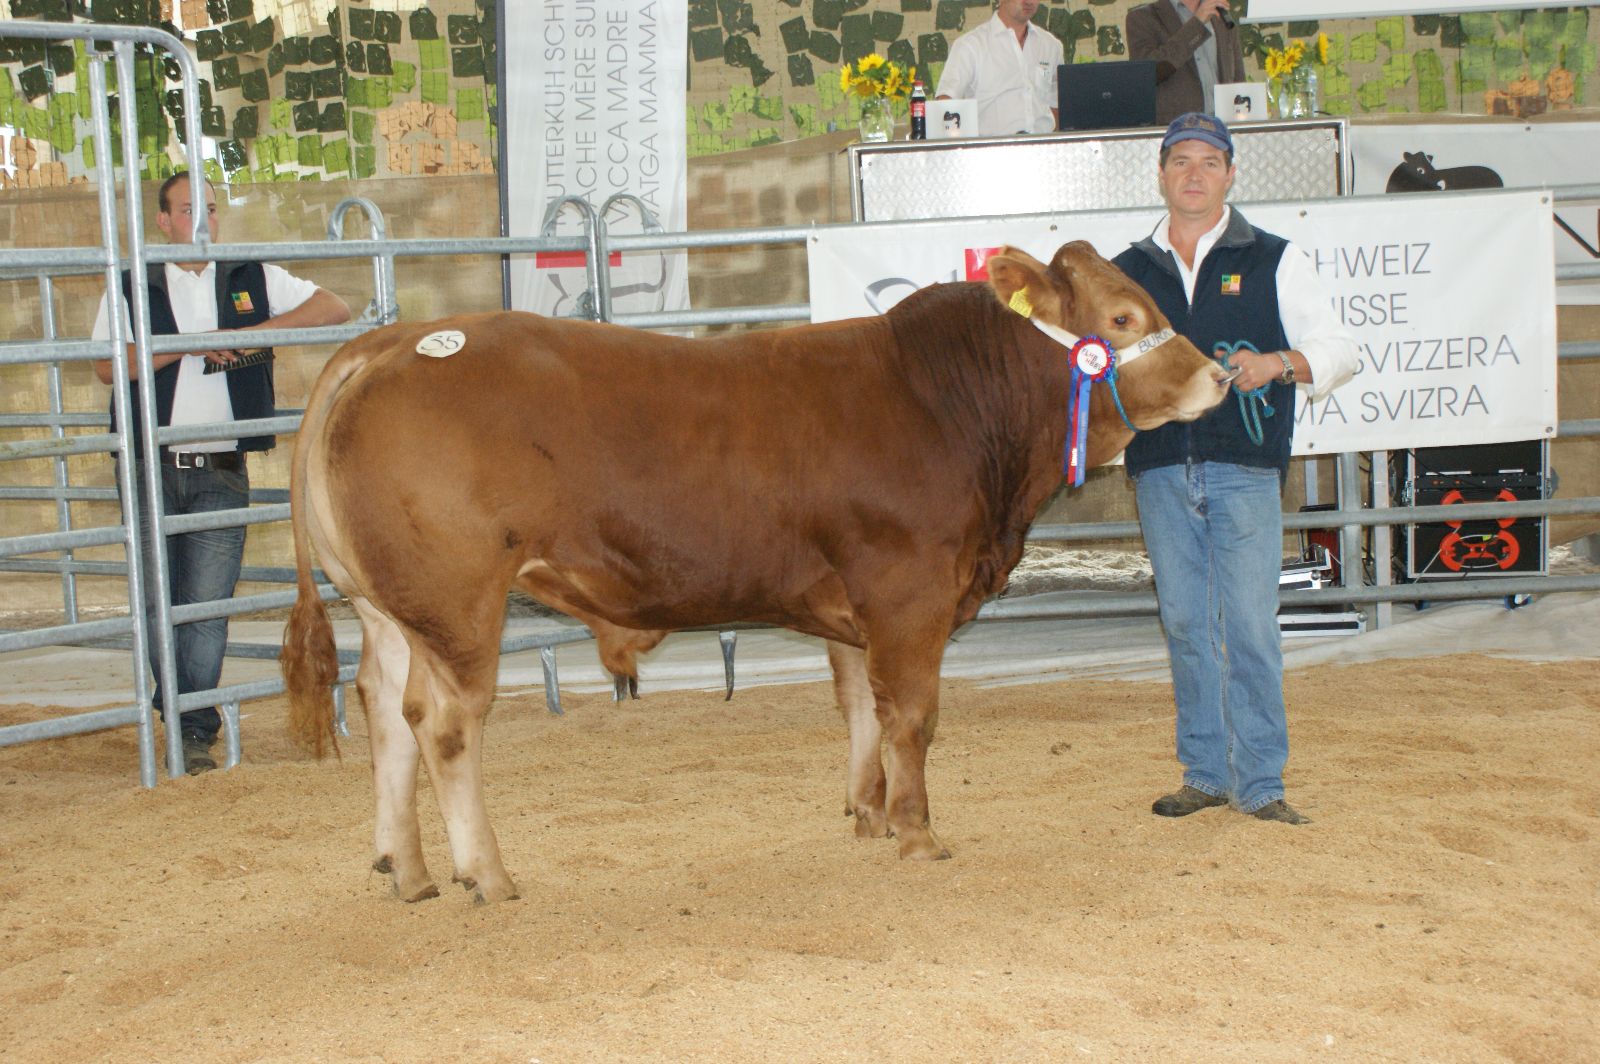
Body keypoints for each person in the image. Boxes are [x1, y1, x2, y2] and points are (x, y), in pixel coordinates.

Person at [1111, 113, 1357, 824]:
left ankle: (1260, 783)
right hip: (1159, 466)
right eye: (1180, 161)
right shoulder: (1127, 271)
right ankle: (1206, 773)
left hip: (1244, 463)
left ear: (1230, 174)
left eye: (1209, 162)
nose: (1194, 174)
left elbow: (1340, 346)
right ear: (1161, 174)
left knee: (1249, 623)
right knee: (1186, 622)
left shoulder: (1275, 257)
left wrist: (1279, 363)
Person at [92, 171, 350, 775]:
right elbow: (109, 367)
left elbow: (332, 306)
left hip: (222, 465)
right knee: (160, 602)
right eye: (186, 211)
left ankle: (193, 728)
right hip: (150, 466)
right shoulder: (132, 280)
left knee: (205, 606)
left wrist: (250, 334)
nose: (199, 222)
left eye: (208, 209)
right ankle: (179, 713)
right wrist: (189, 343)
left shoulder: (249, 275)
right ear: (162, 220)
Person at [935, 0, 1063, 136]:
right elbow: (945, 102)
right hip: (989, 151)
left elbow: (1058, 103)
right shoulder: (970, 46)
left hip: (1044, 150)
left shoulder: (1051, 46)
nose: (1029, 1)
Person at [1127, 0, 1246, 124]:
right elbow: (1148, 73)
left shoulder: (1222, 16)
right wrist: (1197, 24)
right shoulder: (1142, 17)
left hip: (1221, 130)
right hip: (1175, 132)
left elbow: (1238, 79)